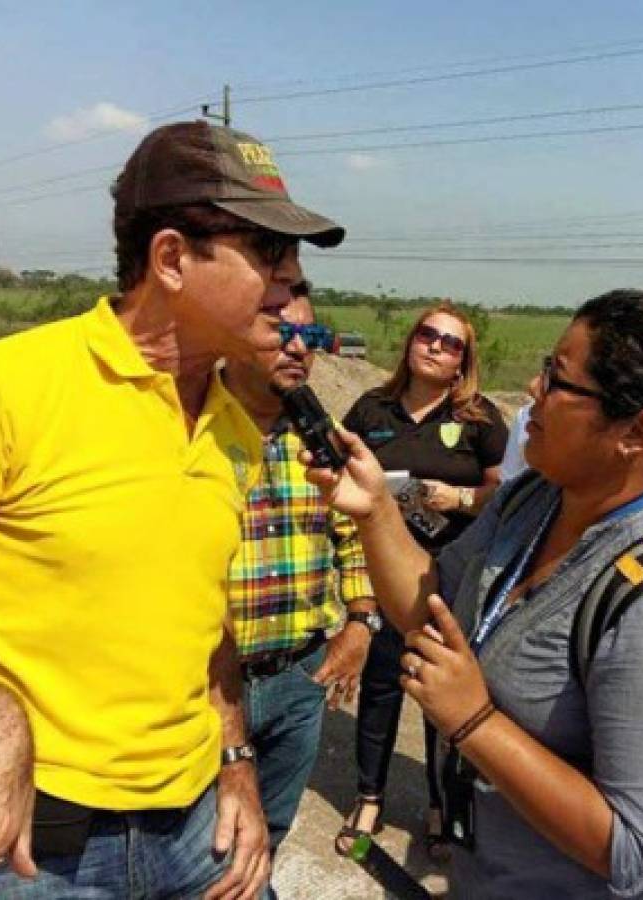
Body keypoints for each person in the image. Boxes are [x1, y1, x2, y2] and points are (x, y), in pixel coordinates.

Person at [0, 121, 344, 899]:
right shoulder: (11, 386)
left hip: (194, 836)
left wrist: (238, 764)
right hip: (31, 855)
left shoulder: (236, 428)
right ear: (173, 258)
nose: (291, 286)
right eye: (269, 255)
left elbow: (200, 619)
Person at [312, 289, 643, 897]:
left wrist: (474, 721)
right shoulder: (535, 500)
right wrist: (374, 514)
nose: (532, 388)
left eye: (558, 378)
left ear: (637, 431)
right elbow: (431, 604)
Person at [221, 279, 378, 898]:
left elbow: (354, 533)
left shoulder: (323, 435)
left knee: (271, 830)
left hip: (298, 680)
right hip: (206, 684)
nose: (298, 348)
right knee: (209, 844)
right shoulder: (188, 427)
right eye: (280, 332)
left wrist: (362, 621)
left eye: (310, 336)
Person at [337, 303, 508, 857]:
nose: (435, 346)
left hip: (452, 573)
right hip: (384, 570)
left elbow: (501, 493)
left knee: (440, 693)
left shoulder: (480, 418)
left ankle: (439, 802)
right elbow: (344, 479)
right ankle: (368, 797)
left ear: (463, 362)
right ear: (411, 343)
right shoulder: (371, 408)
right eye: (427, 335)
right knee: (382, 686)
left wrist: (455, 497)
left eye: (451, 343)